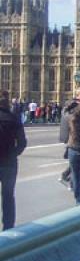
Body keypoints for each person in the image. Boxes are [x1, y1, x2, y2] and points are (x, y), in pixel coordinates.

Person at [0, 91, 26, 230]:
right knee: (8, 196)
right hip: (9, 163)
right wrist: (12, 154)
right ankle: (8, 227)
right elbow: (22, 143)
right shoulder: (14, 118)